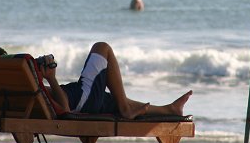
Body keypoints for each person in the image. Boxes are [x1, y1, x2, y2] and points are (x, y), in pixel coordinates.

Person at [24, 41, 191, 120]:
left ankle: (170, 110)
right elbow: (66, 110)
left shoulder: (17, 93)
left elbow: (52, 101)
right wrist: (52, 79)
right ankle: (126, 110)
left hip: (85, 98)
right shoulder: (32, 90)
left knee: (117, 99)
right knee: (102, 48)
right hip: (82, 99)